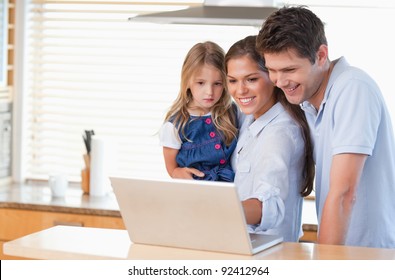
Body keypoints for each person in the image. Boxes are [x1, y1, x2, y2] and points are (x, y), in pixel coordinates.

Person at [256, 6, 395, 248]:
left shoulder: (352, 88)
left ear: (321, 56)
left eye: (289, 69)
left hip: (370, 254)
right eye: (272, 70)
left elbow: (343, 194)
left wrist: (325, 266)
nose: (280, 81)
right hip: (345, 252)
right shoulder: (309, 101)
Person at [225, 35, 315, 242]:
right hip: (242, 247)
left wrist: (215, 211)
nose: (240, 90)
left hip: (270, 254)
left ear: (273, 78)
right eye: (232, 81)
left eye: (251, 79)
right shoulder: (249, 117)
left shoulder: (280, 133)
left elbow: (269, 205)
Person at [159, 41, 238, 181]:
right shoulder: (176, 125)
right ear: (187, 81)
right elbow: (172, 169)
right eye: (201, 83)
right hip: (195, 193)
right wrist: (180, 173)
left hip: (230, 190)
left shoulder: (232, 112)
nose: (209, 92)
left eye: (217, 84)